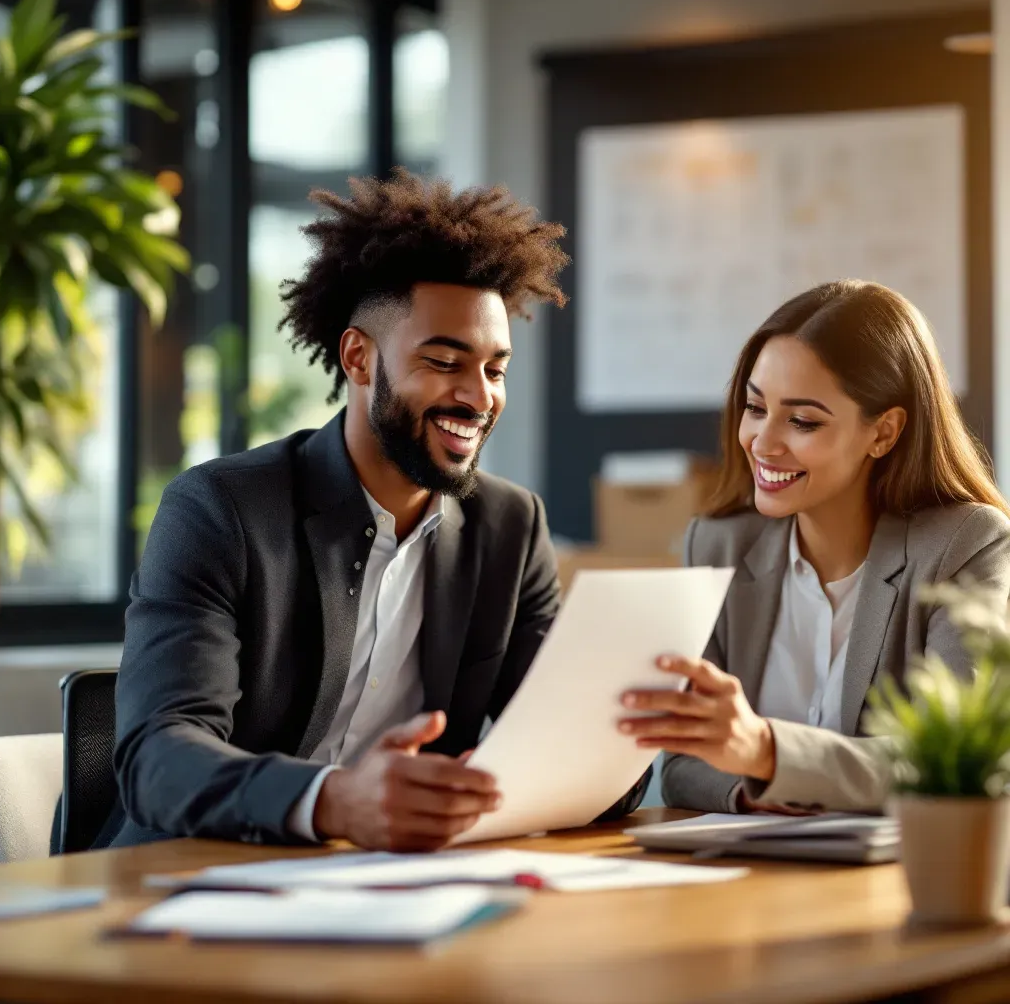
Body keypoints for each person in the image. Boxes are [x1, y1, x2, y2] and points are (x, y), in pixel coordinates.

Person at [97, 170, 648, 852]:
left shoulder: (510, 530)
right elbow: (158, 757)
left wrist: (625, 725)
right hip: (193, 876)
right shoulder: (221, 510)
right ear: (360, 359)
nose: (478, 398)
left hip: (392, 884)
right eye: (446, 361)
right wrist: (331, 801)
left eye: (496, 369)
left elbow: (568, 760)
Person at [617, 280, 1010, 814]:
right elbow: (684, 767)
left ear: (884, 433)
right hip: (752, 872)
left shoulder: (965, 545)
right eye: (755, 408)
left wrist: (767, 752)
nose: (763, 441)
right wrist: (752, 792)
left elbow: (952, 760)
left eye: (802, 421)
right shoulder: (717, 542)